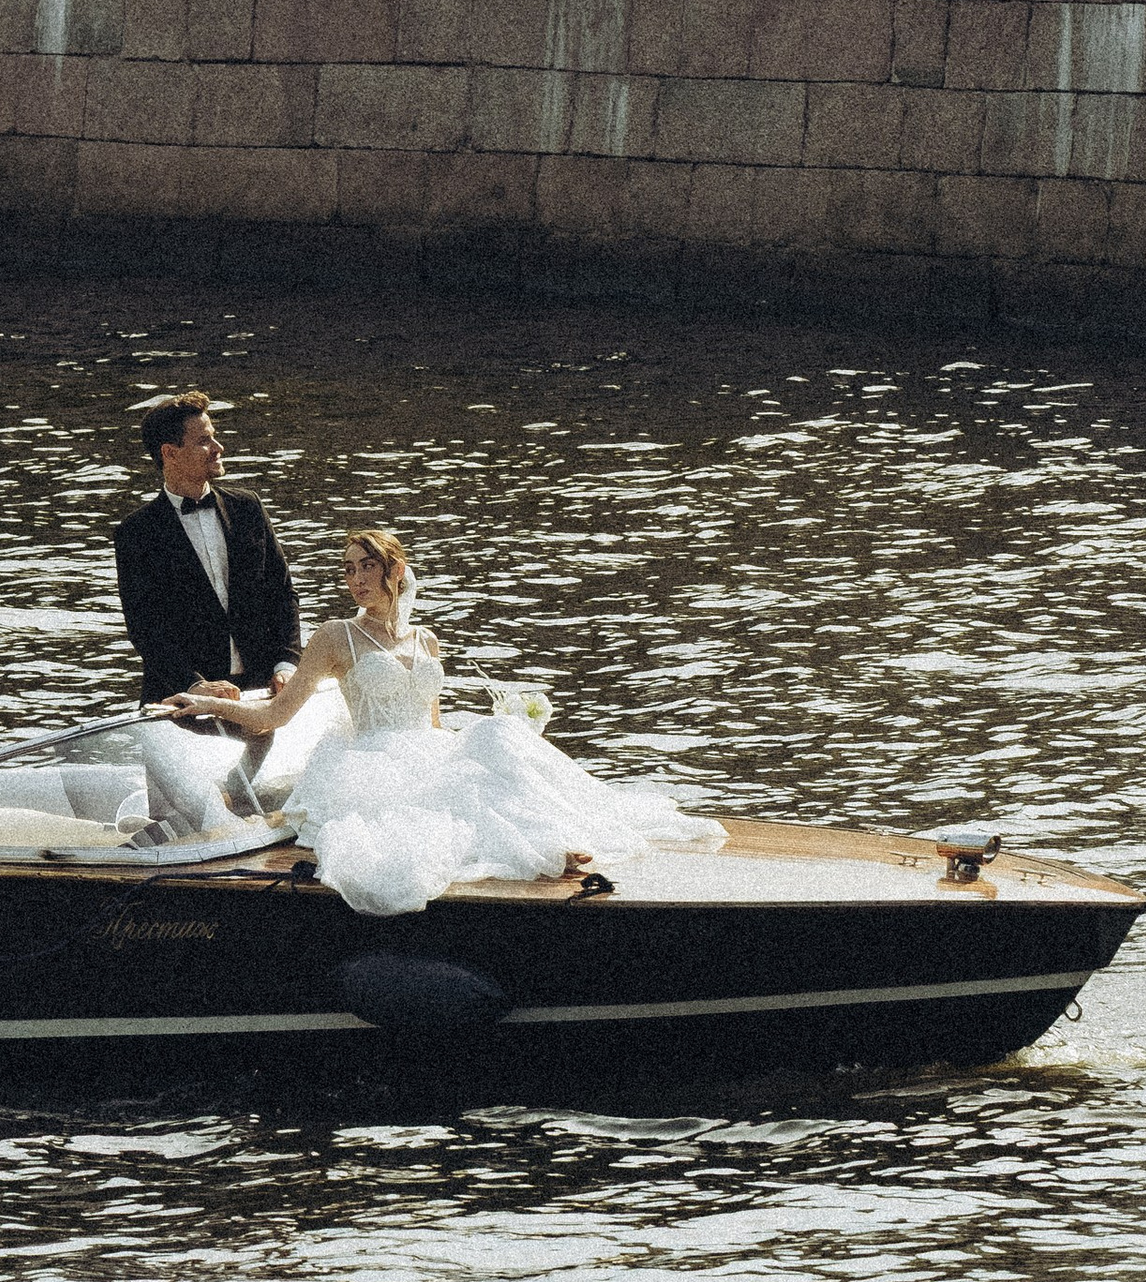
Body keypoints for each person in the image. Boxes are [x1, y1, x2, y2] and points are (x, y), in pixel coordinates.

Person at [166, 524, 722, 919]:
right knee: (441, 807)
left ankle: (551, 841)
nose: (356, 578)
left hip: (424, 747)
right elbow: (274, 715)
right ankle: (543, 852)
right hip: (372, 759)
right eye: (348, 568)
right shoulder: (335, 636)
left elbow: (432, 723)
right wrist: (209, 703)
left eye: (368, 566)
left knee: (494, 738)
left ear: (394, 571)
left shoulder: (425, 638)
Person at [114, 390, 302, 711]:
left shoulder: (248, 507)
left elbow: (282, 595)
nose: (218, 448)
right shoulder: (136, 533)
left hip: (262, 693)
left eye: (214, 437)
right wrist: (194, 683)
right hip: (179, 701)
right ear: (170, 453)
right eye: (204, 441)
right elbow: (146, 629)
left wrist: (286, 665)